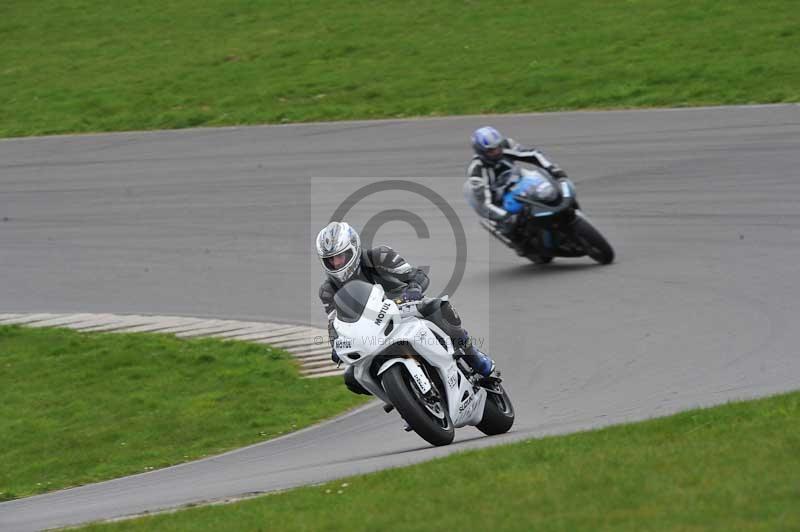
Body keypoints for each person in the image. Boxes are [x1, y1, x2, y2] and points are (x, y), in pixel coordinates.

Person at [316, 221, 497, 395]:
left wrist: (413, 289)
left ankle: (474, 357)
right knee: (352, 377)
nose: (337, 263)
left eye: (340, 256)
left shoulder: (380, 255)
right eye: (330, 260)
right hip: (370, 329)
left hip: (404, 307)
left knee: (437, 307)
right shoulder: (327, 290)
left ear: (353, 249)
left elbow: (417, 276)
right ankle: (400, 396)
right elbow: (334, 323)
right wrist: (336, 345)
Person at [464, 126, 568, 235]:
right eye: (491, 150)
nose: (497, 152)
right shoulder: (476, 171)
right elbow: (484, 204)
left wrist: (553, 168)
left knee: (548, 189)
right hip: (500, 197)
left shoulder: (506, 145)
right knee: (515, 223)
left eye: (498, 147)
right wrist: (505, 215)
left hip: (518, 180)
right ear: (481, 152)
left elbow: (533, 154)